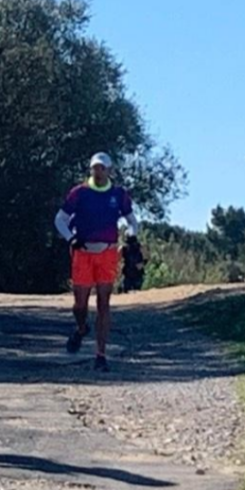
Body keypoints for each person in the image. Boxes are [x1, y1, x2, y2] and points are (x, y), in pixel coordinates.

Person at [54, 152, 138, 373]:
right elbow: (60, 219)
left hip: (107, 253)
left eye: (102, 168)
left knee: (104, 302)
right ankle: (81, 328)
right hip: (82, 252)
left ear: (109, 170)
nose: (98, 172)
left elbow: (132, 221)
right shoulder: (79, 193)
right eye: (95, 168)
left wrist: (131, 236)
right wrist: (71, 238)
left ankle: (101, 354)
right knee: (80, 304)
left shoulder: (118, 194)